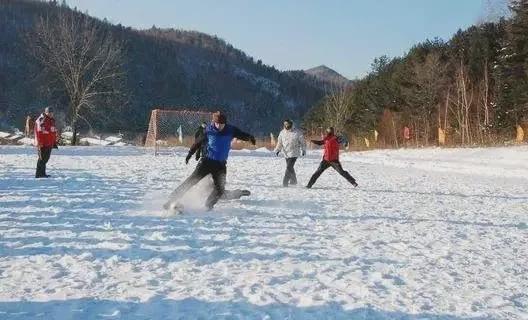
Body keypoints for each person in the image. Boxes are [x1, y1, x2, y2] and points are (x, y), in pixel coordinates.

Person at [164, 111, 256, 211]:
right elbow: (197, 142)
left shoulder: (230, 130)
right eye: (217, 124)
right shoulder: (208, 130)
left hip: (220, 165)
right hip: (206, 162)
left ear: (225, 123)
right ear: (214, 122)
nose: (219, 126)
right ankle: (170, 201)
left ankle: (208, 206)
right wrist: (190, 153)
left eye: (222, 124)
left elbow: (242, 134)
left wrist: (250, 138)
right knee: (191, 181)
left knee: (220, 189)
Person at [273, 119, 306, 187]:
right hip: (286, 153)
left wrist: (303, 150)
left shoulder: (297, 132)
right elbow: (280, 142)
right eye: (285, 124)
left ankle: (285, 182)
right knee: (290, 167)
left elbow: (303, 142)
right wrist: (277, 150)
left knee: (288, 167)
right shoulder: (282, 133)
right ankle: (294, 181)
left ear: (291, 124)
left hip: (294, 153)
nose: (286, 126)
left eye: (288, 124)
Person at [34, 107, 58, 178]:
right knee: (42, 158)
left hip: (49, 143)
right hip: (43, 143)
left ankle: (43, 173)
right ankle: (38, 174)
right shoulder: (41, 119)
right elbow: (38, 132)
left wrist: (55, 138)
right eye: (49, 112)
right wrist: (39, 142)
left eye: (52, 113)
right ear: (46, 112)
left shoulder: (51, 120)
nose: (51, 114)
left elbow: (52, 130)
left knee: (46, 159)